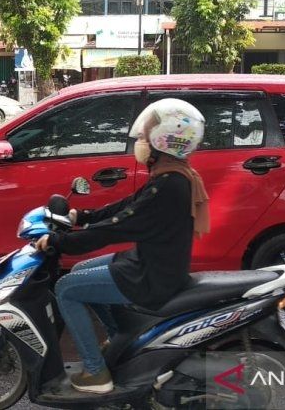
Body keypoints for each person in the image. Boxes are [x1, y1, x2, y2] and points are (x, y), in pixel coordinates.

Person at [36, 98, 210, 394]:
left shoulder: (168, 185)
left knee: (67, 288)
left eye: (144, 137)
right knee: (80, 270)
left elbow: (118, 227)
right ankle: (122, 339)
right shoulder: (170, 175)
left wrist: (59, 241)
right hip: (151, 263)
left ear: (164, 141)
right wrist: (83, 216)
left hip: (151, 277)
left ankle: (95, 373)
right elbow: (126, 207)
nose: (139, 142)